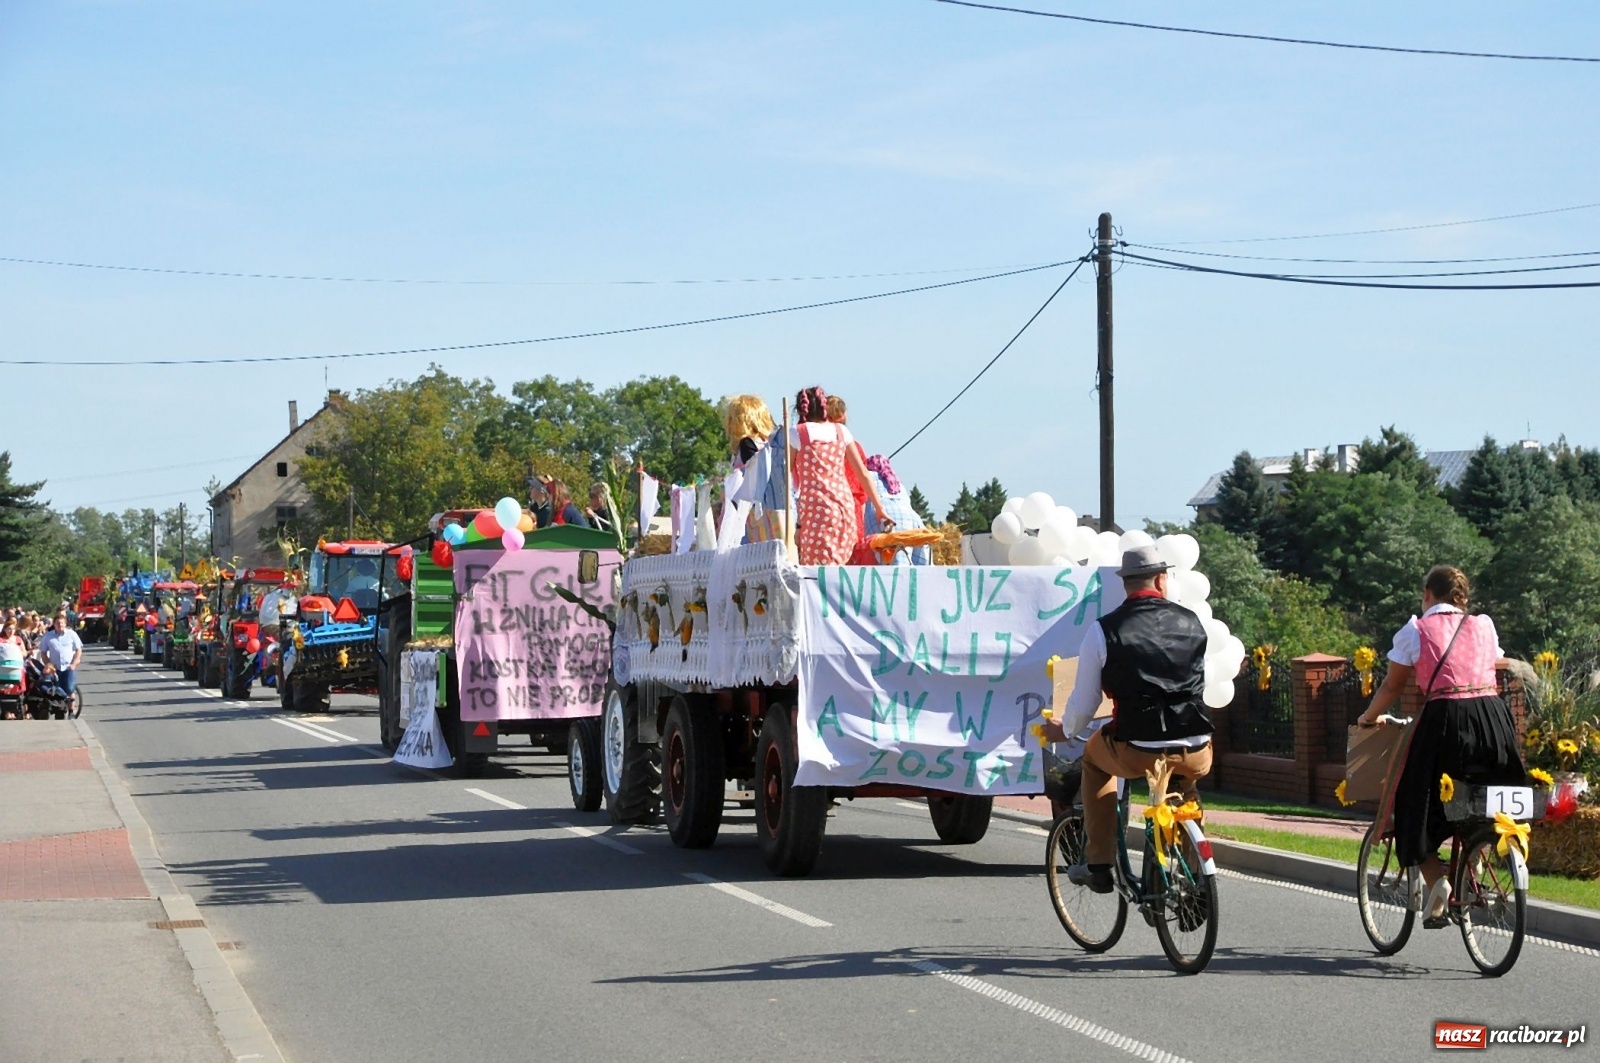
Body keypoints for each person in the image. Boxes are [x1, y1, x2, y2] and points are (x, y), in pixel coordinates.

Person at [1357, 564, 1524, 925]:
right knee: (1481, 796)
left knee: (1412, 802)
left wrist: (1368, 717)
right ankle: (1472, 861)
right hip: (1493, 719)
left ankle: (1438, 884)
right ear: (1461, 597)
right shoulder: (1484, 625)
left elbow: (1392, 686)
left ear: (1427, 594)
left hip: (1446, 718)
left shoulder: (1416, 630)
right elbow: (1490, 665)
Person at [1047, 545, 1214, 894]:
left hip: (1139, 747)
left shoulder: (1104, 630)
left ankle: (1098, 863)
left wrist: (1066, 729)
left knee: (1093, 760)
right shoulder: (1192, 622)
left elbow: (1086, 701)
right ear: (1162, 580)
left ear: (1125, 584)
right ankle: (1197, 875)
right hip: (1197, 746)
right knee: (1185, 782)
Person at [791, 386, 891, 565]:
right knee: (844, 566)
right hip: (844, 508)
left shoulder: (797, 433)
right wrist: (879, 508)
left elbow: (786, 474)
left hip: (816, 511)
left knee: (817, 572)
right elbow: (863, 474)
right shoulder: (841, 431)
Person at [861, 454, 932, 565]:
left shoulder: (865, 476)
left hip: (882, 516)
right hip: (911, 518)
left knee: (891, 561)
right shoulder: (895, 480)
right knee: (919, 561)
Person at [827, 395, 870, 541]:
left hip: (825, 510)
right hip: (853, 511)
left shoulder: (816, 447)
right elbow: (862, 493)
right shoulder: (856, 448)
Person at [38, 613, 84, 706]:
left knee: (70, 689)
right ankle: (59, 707)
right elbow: (43, 652)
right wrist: (49, 665)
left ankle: (71, 710)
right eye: (58, 623)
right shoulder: (48, 636)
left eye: (62, 623)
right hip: (55, 668)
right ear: (54, 624)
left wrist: (74, 663)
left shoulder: (72, 634)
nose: (60, 625)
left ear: (65, 624)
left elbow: (79, 649)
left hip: (68, 667)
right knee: (56, 689)